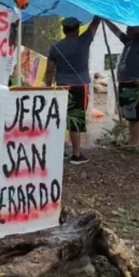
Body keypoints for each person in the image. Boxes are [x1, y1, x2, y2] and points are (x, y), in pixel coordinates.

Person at [45, 16, 102, 165]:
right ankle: (76, 155)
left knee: (61, 118)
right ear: (77, 30)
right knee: (75, 120)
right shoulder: (84, 40)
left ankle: (59, 150)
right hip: (79, 87)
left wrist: (48, 88)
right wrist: (98, 13)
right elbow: (95, 25)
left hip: (61, 86)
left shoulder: (55, 47)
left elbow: (49, 70)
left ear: (64, 30)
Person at [104, 21, 139, 146]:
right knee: (130, 114)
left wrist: (136, 21)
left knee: (136, 116)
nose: (127, 30)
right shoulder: (128, 42)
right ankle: (131, 140)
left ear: (137, 29)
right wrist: (105, 20)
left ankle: (134, 142)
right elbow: (116, 31)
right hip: (124, 82)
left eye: (130, 28)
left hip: (133, 82)